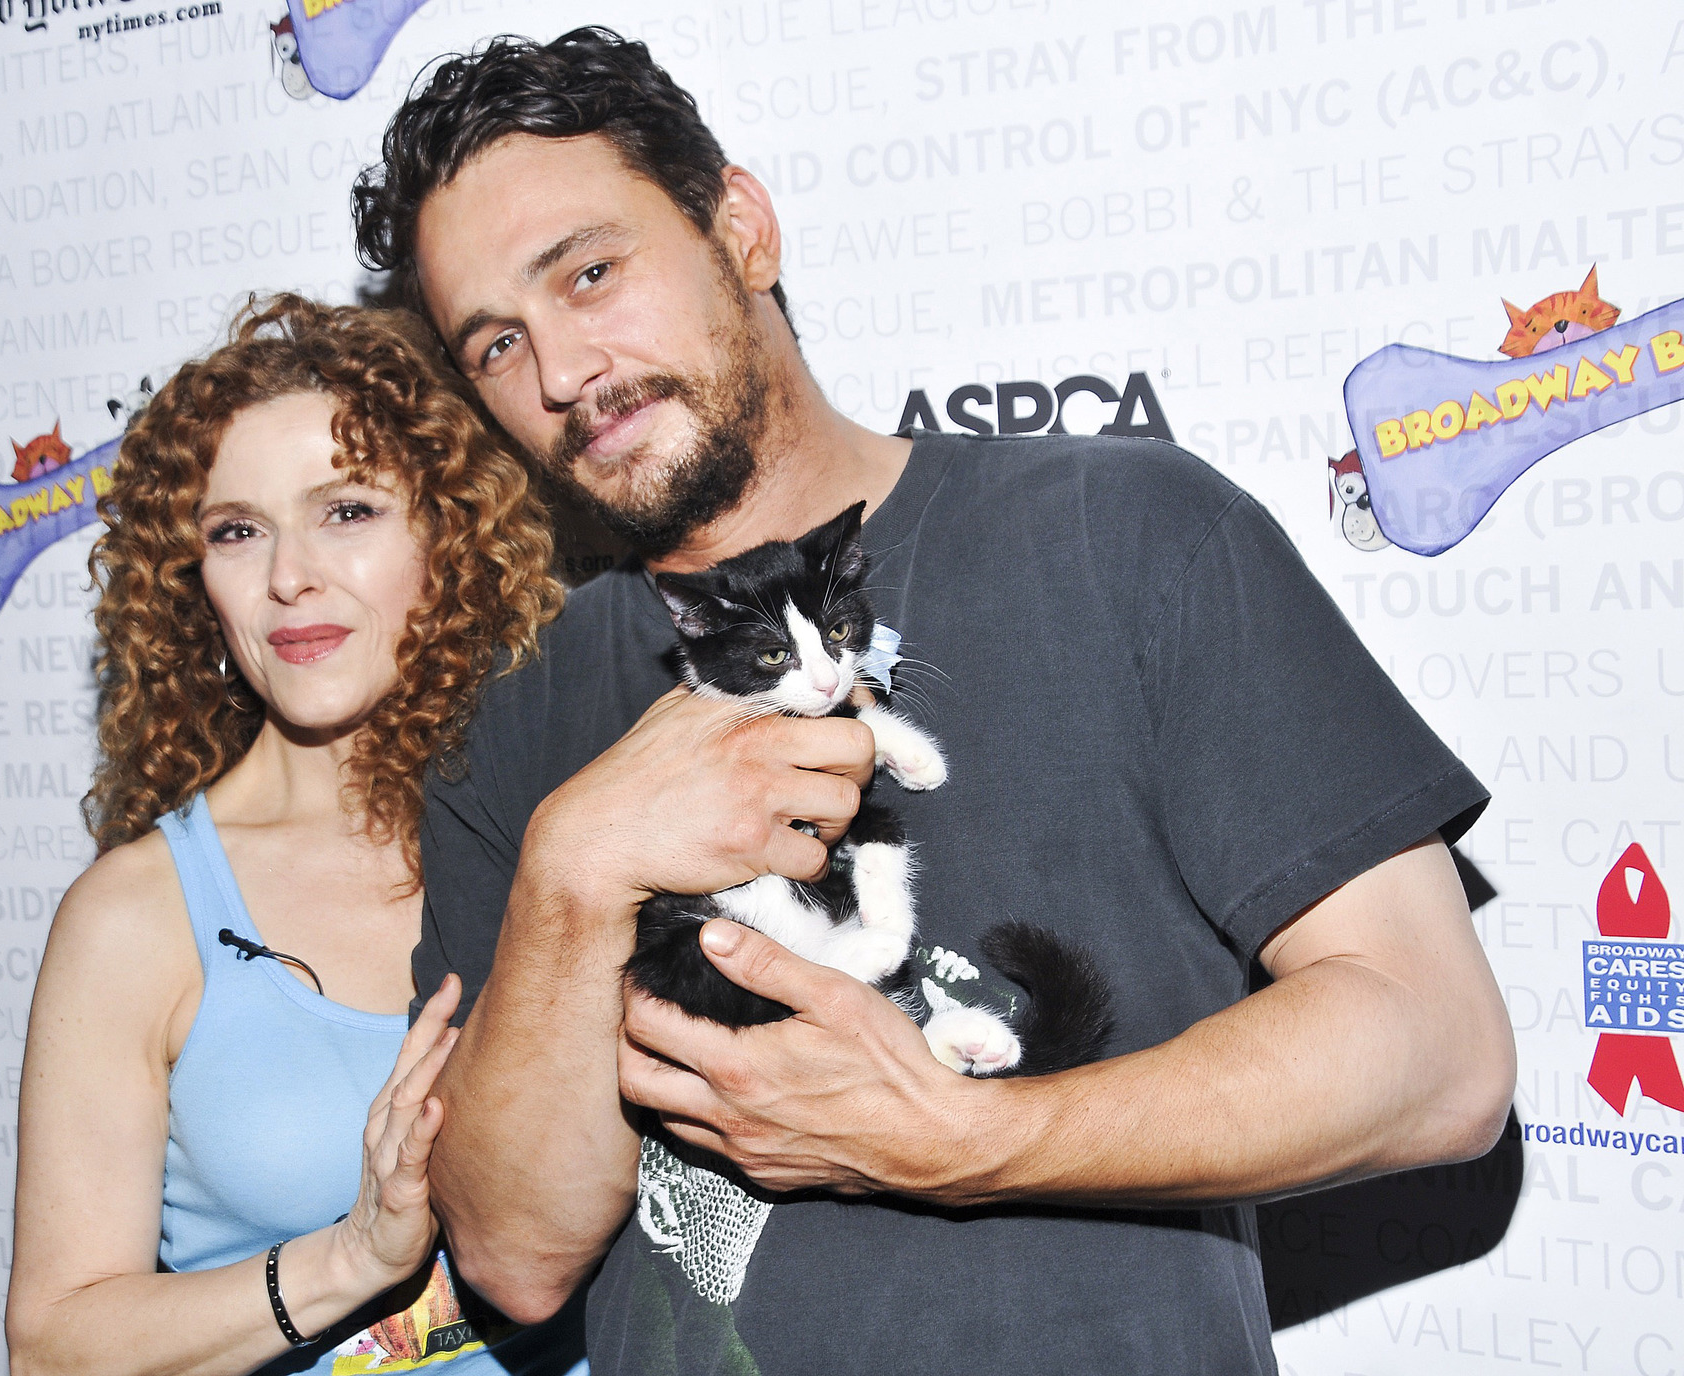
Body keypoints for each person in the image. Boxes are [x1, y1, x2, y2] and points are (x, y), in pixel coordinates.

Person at [348, 28, 1517, 1375]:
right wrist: (574, 869)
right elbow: (514, 1254)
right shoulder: (516, 720)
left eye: (593, 274)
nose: (561, 374)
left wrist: (974, 1144)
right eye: (496, 342)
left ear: (742, 229)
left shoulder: (1124, 535)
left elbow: (1438, 1051)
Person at [5, 295, 584, 1376]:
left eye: (348, 510)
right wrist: (349, 1257)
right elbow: (54, 1346)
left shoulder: (567, 824)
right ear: (196, 585)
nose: (287, 575)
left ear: (448, 539)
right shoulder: (138, 913)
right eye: (237, 530)